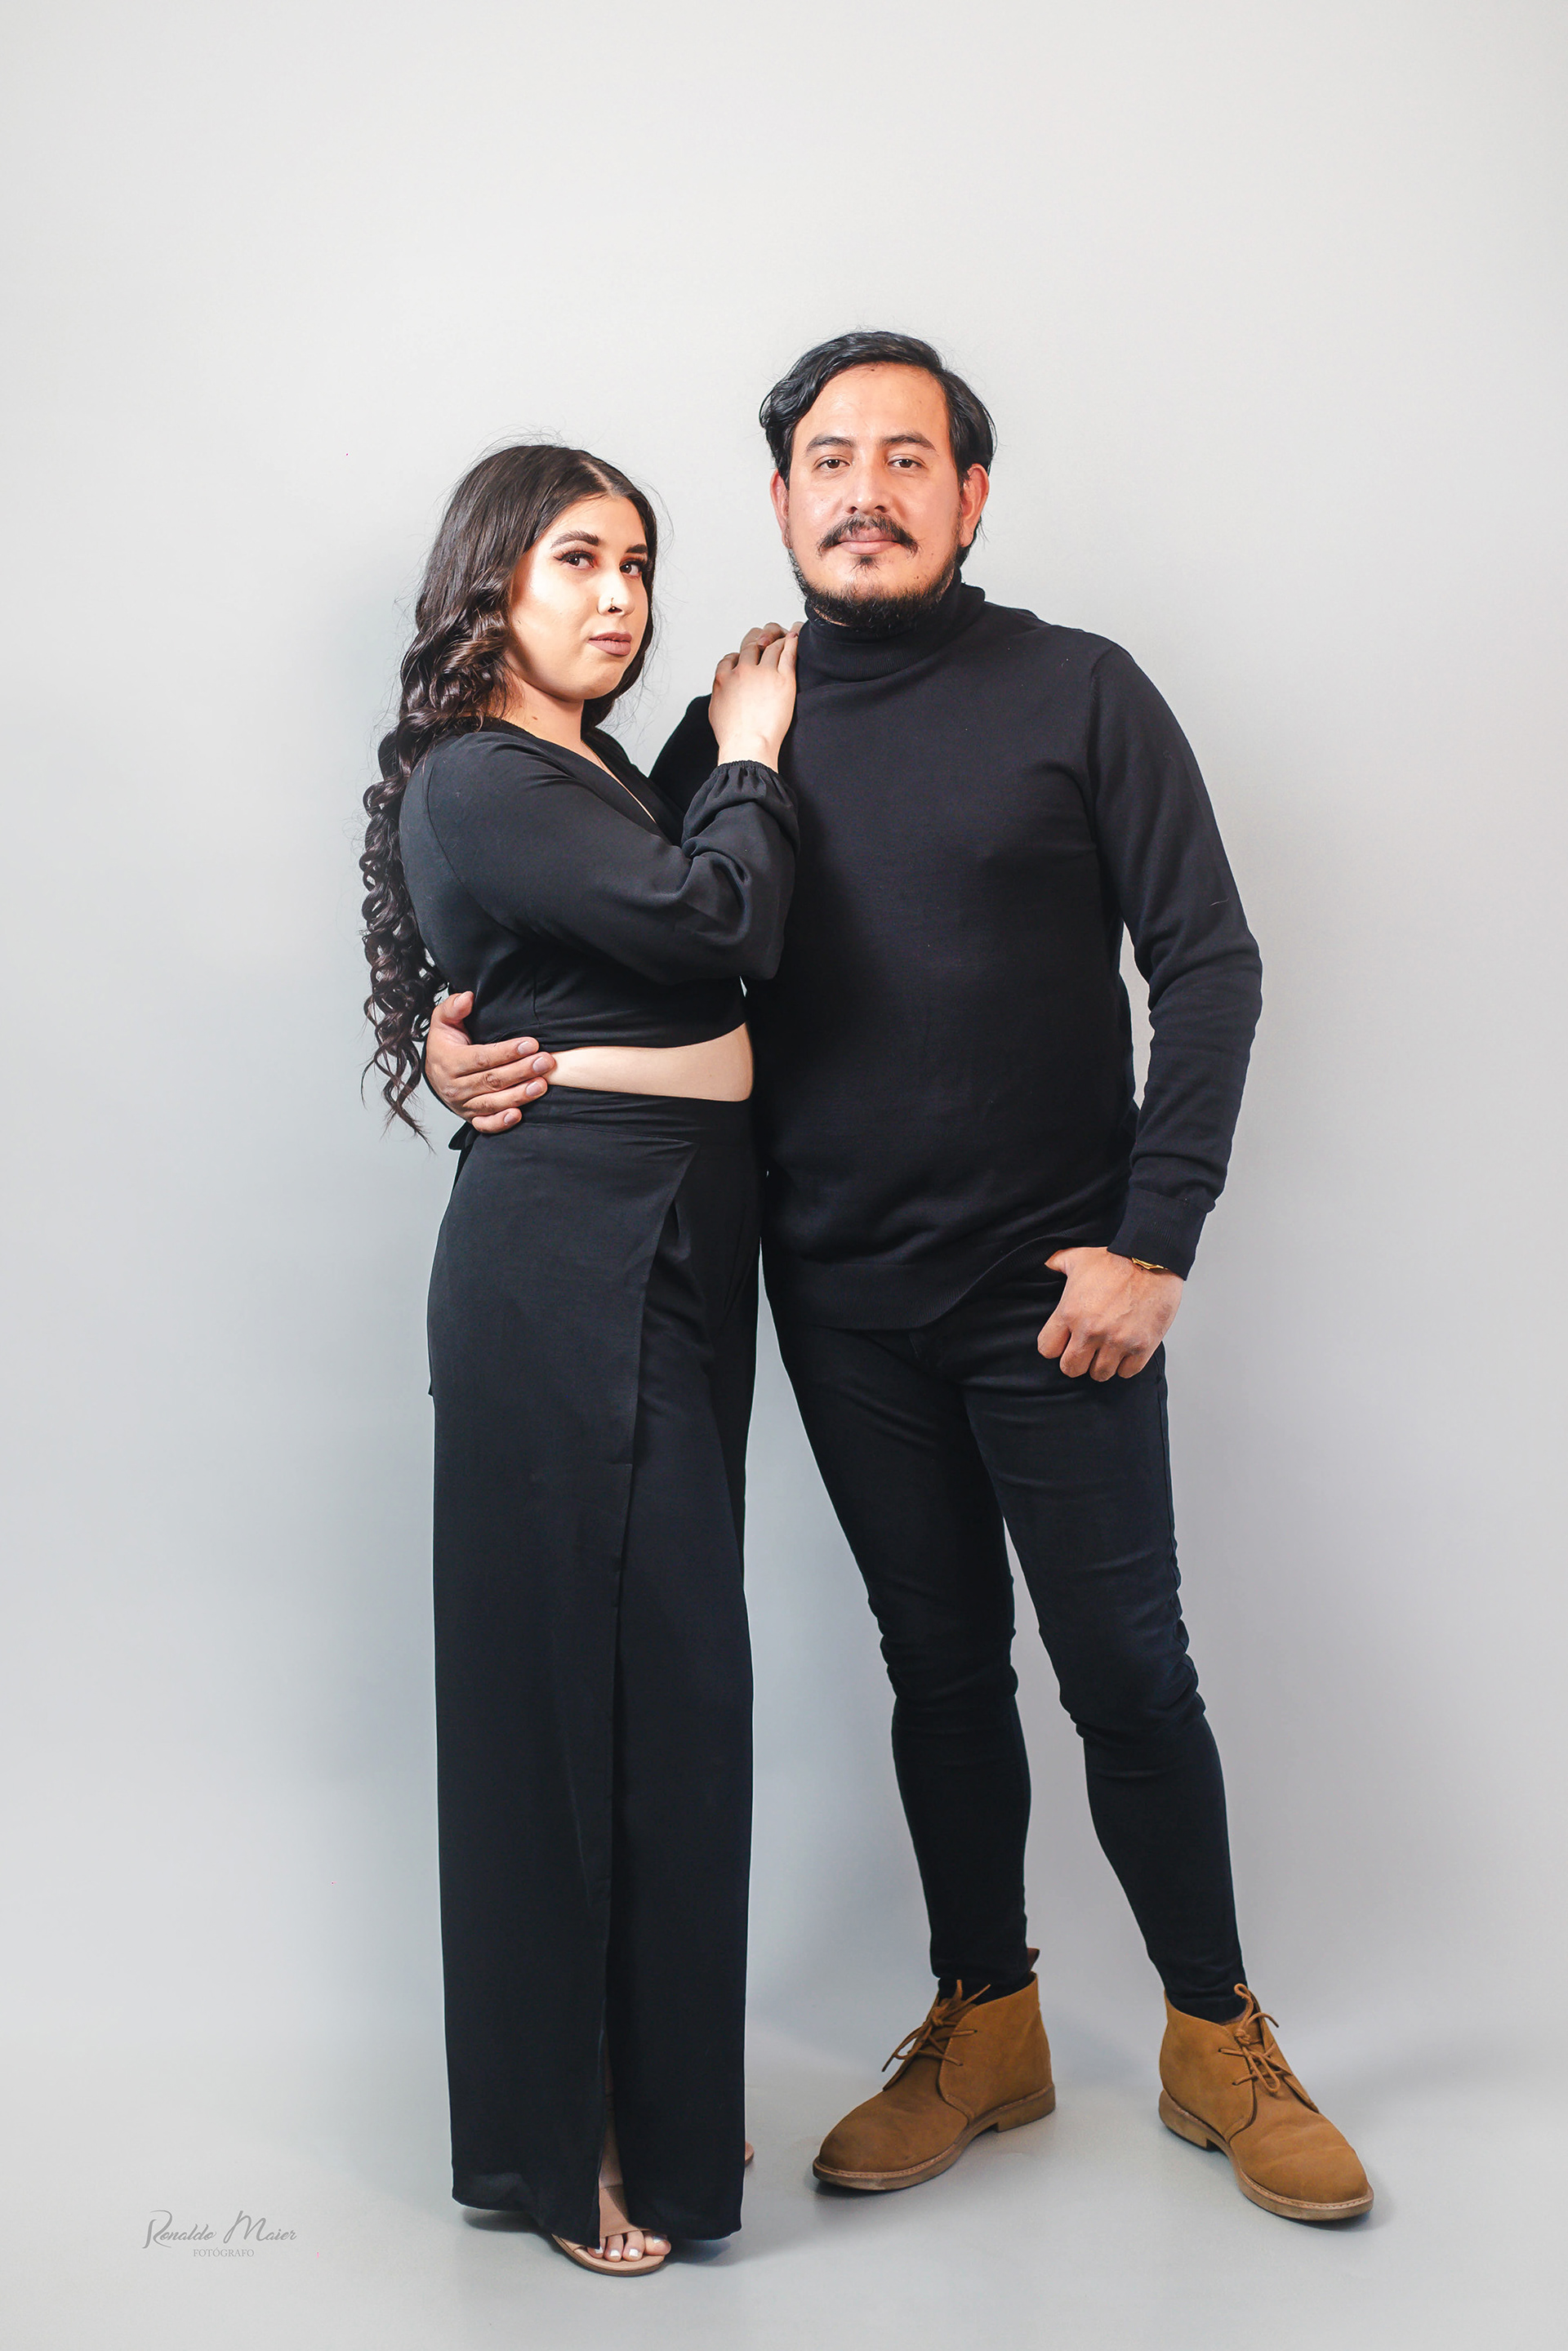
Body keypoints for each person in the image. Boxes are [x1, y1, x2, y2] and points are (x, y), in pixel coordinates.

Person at [426, 337, 1374, 2225]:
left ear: (971, 493)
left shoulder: (1081, 692)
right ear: (782, 499)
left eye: (907, 457)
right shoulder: (735, 718)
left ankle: (1219, 2033)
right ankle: (986, 2020)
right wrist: (465, 1055)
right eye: (829, 459)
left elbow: (1209, 964)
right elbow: (630, 934)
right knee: (937, 1668)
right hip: (838, 1297)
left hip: (1059, 1297)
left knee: (1128, 1672)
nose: (866, 489)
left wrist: (1156, 1240)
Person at [361, 443, 800, 2272]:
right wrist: (750, 758)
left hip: (682, 1223)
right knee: (578, 1692)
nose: (620, 598)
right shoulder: (485, 774)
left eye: (636, 564)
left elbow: (642, 892)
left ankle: (659, 2102)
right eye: (577, 563)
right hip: (572, 1243)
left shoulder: (592, 771)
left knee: (670, 1694)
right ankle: (571, 2147)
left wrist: (716, 745)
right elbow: (720, 921)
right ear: (493, 582)